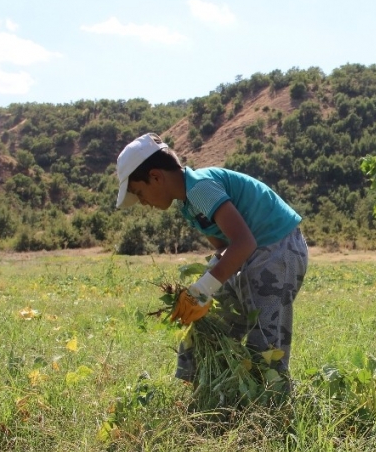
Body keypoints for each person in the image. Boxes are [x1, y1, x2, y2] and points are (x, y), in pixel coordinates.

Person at [115, 133, 308, 386]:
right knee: (209, 325)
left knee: (266, 340)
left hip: (277, 247)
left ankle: (271, 402)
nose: (143, 202)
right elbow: (225, 248)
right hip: (250, 253)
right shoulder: (188, 204)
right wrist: (203, 291)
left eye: (140, 193)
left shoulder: (200, 188)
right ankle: (203, 391)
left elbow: (244, 242)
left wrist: (202, 289)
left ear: (156, 177)